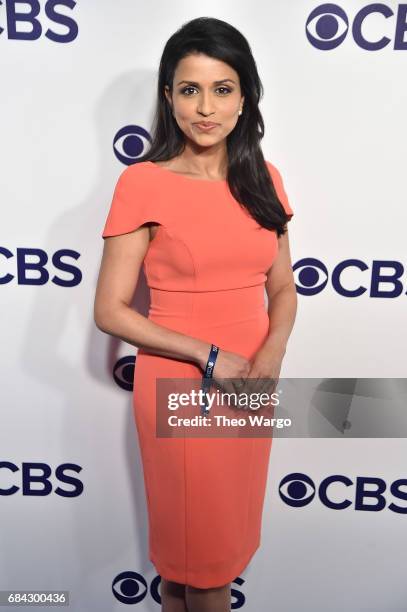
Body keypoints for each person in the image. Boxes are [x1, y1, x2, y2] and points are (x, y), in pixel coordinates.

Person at [94, 16, 297, 612]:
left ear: (245, 98)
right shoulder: (144, 183)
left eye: (222, 89)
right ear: (168, 96)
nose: (205, 108)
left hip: (252, 383)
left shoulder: (265, 179)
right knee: (202, 567)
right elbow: (110, 311)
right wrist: (209, 356)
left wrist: (271, 356)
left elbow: (283, 288)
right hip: (184, 382)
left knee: (210, 559)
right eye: (189, 90)